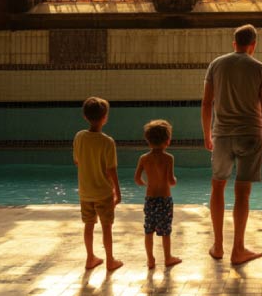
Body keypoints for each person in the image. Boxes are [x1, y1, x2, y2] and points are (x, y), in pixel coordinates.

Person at [201, 24, 262, 265]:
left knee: (218, 187)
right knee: (242, 193)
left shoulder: (216, 65)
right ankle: (238, 249)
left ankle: (219, 245)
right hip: (251, 134)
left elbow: (206, 104)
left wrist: (207, 134)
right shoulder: (261, 69)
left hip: (221, 135)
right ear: (253, 45)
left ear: (235, 43)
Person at [73, 96, 124, 271]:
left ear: (85, 117)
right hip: (103, 193)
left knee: (88, 225)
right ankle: (110, 260)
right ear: (105, 117)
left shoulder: (79, 137)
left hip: (85, 192)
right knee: (106, 227)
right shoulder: (107, 142)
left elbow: (77, 161)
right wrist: (118, 191)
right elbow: (112, 170)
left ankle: (90, 258)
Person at [134, 119, 182, 269]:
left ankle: (150, 259)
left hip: (150, 199)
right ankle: (168, 258)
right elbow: (170, 181)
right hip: (165, 200)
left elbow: (137, 179)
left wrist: (146, 184)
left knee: (149, 230)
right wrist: (175, 180)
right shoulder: (169, 158)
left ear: (148, 141)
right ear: (167, 141)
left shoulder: (144, 158)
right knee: (165, 230)